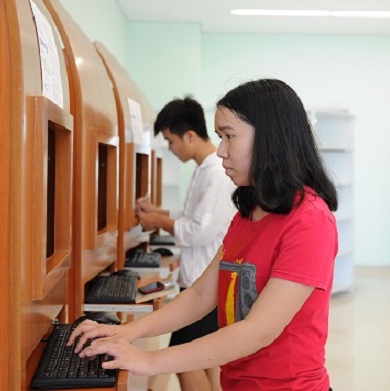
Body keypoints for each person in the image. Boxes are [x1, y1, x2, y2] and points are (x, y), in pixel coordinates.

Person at [69, 79, 338, 391]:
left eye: (229, 136)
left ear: (270, 138)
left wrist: (149, 361)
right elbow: (201, 295)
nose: (221, 150)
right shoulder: (248, 213)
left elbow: (258, 331)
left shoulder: (309, 221)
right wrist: (128, 332)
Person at [135, 96, 236, 391]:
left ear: (189, 136)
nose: (170, 148)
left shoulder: (215, 173)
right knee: (207, 362)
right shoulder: (204, 169)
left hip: (204, 284)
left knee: (184, 363)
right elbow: (193, 217)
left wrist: (158, 222)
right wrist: (159, 212)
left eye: (170, 140)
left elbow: (197, 231)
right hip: (198, 279)